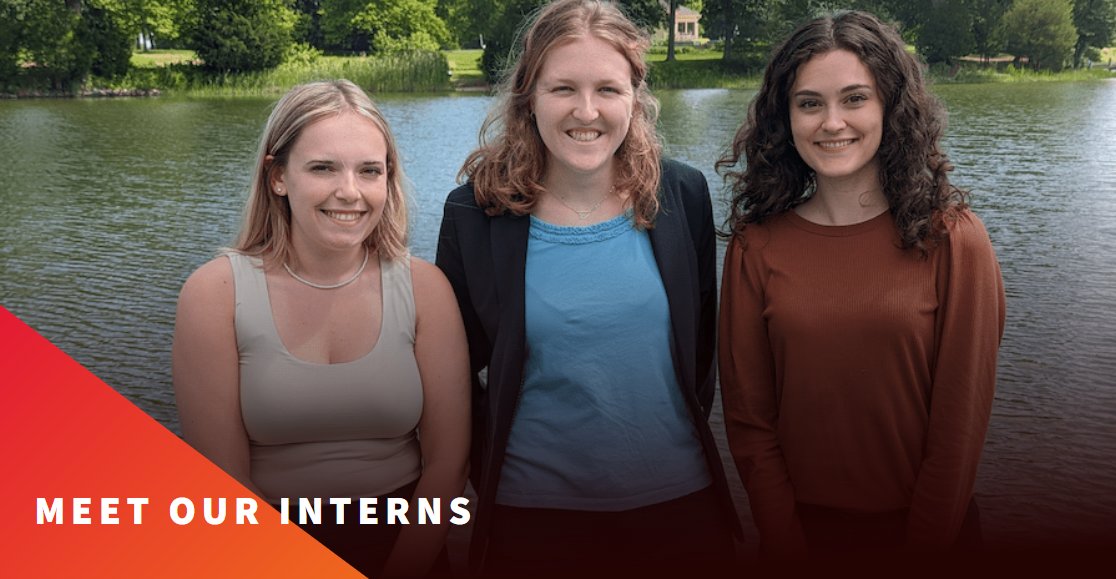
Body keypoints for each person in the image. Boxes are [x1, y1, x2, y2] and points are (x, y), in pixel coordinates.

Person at [434, 1, 740, 577]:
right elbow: (456, 379)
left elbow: (699, 355)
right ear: (528, 96)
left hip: (683, 513)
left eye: (608, 89)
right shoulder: (476, 213)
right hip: (531, 519)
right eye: (563, 89)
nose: (586, 110)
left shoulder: (682, 195)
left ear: (636, 97)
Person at [716, 10, 1006, 567]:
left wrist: (923, 548)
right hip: (802, 542)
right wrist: (784, 540)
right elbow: (750, 422)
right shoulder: (756, 247)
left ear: (890, 108)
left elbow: (960, 425)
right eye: (809, 103)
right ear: (785, 118)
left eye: (854, 98)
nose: (832, 122)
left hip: (930, 539)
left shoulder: (953, 240)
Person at [172, 80, 470, 579]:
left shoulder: (426, 290)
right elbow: (224, 481)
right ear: (278, 177)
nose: (349, 192)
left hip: (408, 545)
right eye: (323, 168)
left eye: (369, 171)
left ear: (388, 180)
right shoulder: (215, 294)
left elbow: (447, 466)